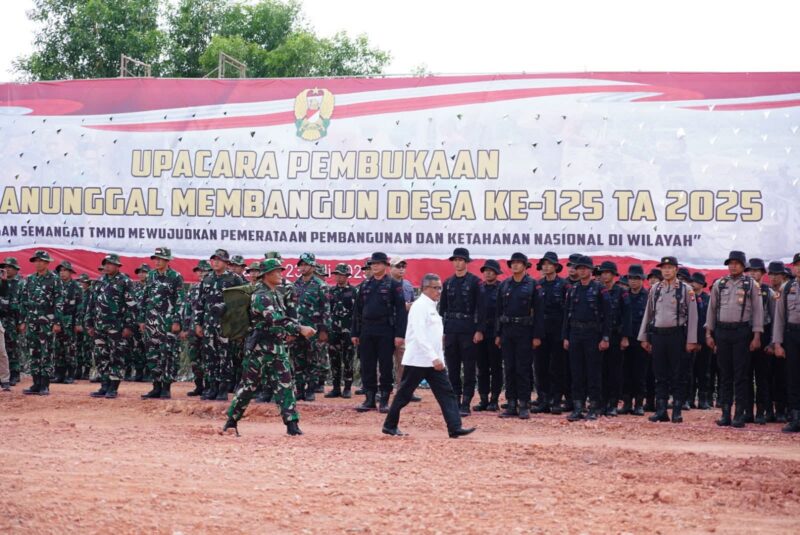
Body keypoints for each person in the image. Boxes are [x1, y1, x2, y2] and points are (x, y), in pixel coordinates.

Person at [222, 259, 316, 437]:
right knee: (249, 387)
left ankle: (292, 424)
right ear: (266, 275)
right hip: (260, 348)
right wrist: (299, 329)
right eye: (276, 272)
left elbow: (283, 317)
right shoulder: (261, 296)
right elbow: (274, 319)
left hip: (277, 347)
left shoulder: (276, 294)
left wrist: (292, 330)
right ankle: (231, 422)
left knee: (286, 384)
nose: (281, 274)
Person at [382, 273, 476, 439]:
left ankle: (455, 427)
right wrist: (434, 357)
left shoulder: (432, 305)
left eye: (440, 288)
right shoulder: (419, 307)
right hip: (418, 360)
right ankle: (390, 425)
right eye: (435, 288)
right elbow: (419, 336)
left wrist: (438, 358)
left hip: (433, 362)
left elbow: (434, 337)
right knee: (404, 394)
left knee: (447, 393)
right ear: (425, 288)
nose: (439, 291)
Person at [706, 251, 764, 428]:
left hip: (742, 332)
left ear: (743, 265)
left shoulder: (750, 284)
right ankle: (725, 414)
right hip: (722, 332)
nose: (733, 266)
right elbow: (712, 309)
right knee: (725, 375)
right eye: (730, 263)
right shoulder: (720, 284)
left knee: (741, 375)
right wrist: (709, 333)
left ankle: (739, 414)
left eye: (736, 263)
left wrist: (757, 335)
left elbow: (758, 312)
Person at [637, 256, 699, 423]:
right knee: (659, 373)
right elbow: (648, 313)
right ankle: (661, 410)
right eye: (664, 268)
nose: (666, 270)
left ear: (676, 270)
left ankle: (677, 411)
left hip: (677, 335)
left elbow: (693, 316)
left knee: (678, 374)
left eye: (670, 267)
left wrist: (691, 340)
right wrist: (643, 336)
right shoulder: (656, 289)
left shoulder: (686, 290)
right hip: (658, 335)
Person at [352, 252, 408, 413]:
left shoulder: (393, 285)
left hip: (386, 330)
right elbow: (358, 310)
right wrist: (355, 333)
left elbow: (401, 312)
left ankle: (384, 400)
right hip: (367, 330)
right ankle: (369, 399)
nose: (374, 266)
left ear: (385, 266)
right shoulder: (365, 285)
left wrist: (399, 334)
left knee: (385, 365)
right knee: (367, 365)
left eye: (378, 263)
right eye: (372, 263)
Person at [562, 255, 611, 421]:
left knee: (593, 372)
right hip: (575, 334)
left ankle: (594, 407)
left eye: (585, 268)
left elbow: (607, 316)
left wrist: (605, 337)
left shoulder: (600, 289)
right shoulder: (573, 289)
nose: (581, 271)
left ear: (591, 270)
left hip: (593, 334)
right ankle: (578, 407)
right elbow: (566, 315)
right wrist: (566, 336)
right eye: (579, 268)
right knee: (576, 372)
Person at [495, 252, 543, 419]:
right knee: (509, 367)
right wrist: (498, 334)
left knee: (523, 368)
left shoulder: (532, 285)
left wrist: (537, 335)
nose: (515, 265)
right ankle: (511, 403)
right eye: (512, 263)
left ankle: (524, 404)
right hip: (507, 330)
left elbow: (539, 313)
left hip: (525, 331)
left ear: (525, 265)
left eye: (518, 263)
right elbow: (498, 311)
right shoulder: (505, 285)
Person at [194, 249, 247, 401]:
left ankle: (223, 389)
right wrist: (198, 323)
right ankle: (212, 388)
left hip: (226, 325)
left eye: (219, 260)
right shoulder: (208, 279)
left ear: (226, 263)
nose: (215, 262)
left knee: (225, 357)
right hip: (209, 325)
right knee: (210, 357)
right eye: (214, 259)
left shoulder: (235, 279)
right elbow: (200, 303)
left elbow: (242, 302)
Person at [85, 254, 137, 399]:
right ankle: (104, 385)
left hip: (117, 327)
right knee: (101, 356)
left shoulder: (125, 281)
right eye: (106, 263)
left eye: (111, 264)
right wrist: (89, 323)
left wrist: (129, 326)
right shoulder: (100, 281)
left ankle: (113, 387)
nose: (107, 266)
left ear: (117, 266)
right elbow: (91, 304)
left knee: (116, 356)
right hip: (99, 327)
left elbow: (131, 306)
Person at [439, 248, 481, 415]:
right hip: (451, 330)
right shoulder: (448, 282)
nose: (457, 263)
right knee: (453, 367)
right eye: (455, 260)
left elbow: (480, 308)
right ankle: (455, 399)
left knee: (469, 367)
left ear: (466, 262)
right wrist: (442, 331)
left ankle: (466, 401)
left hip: (468, 329)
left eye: (461, 260)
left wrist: (479, 330)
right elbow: (442, 309)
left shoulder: (475, 282)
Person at [139, 247, 184, 400]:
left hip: (168, 322)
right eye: (155, 259)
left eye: (160, 259)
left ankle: (166, 387)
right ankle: (156, 386)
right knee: (152, 354)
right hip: (151, 321)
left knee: (168, 354)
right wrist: (141, 320)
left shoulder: (175, 277)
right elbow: (145, 298)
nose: (157, 261)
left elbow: (180, 301)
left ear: (167, 260)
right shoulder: (151, 276)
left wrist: (177, 321)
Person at [290, 252, 330, 401]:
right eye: (301, 264)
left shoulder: (321, 286)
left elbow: (326, 310)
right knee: (298, 359)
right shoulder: (295, 284)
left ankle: (311, 389)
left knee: (313, 360)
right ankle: (299, 389)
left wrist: (324, 331)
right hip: (297, 328)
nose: (303, 267)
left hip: (314, 329)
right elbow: (290, 307)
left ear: (313, 266)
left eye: (306, 264)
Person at [21, 250, 61, 396]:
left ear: (46, 263)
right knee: (34, 352)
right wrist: (23, 320)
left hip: (47, 322)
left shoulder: (54, 279)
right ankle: (36, 383)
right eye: (35, 261)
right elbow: (24, 300)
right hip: (32, 321)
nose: (37, 263)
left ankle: (45, 384)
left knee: (47, 352)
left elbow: (59, 302)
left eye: (40, 261)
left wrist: (57, 322)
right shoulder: (30, 279)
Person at [533, 252, 568, 414]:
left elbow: (569, 311)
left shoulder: (564, 285)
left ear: (556, 267)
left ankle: (555, 400)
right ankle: (543, 399)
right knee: (541, 366)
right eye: (544, 264)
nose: (546, 267)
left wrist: (565, 333)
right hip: (541, 330)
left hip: (558, 330)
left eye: (549, 264)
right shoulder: (537, 285)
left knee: (557, 367)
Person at [773, 252, 800, 432]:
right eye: (797, 264)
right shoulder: (787, 287)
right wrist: (777, 343)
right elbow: (780, 317)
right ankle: (796, 416)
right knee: (793, 376)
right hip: (792, 334)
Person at [474, 259, 503, 411]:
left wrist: (499, 334)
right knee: (482, 367)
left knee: (496, 367)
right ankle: (483, 399)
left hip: (496, 333)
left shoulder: (502, 288)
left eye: (491, 271)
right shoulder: (479, 288)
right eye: (486, 270)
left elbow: (502, 312)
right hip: (480, 333)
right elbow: (475, 310)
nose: (488, 273)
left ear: (497, 273)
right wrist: (477, 330)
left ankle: (494, 400)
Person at [620, 264, 649, 415]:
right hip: (626, 338)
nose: (633, 282)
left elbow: (651, 319)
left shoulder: (648, 296)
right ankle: (626, 402)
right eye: (631, 278)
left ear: (642, 280)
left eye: (636, 279)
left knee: (640, 372)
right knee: (626, 371)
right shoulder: (624, 295)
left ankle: (638, 403)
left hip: (641, 339)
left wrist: (648, 339)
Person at [325, 263, 357, 398]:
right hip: (333, 331)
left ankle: (348, 387)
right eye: (337, 274)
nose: (339, 277)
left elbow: (357, 313)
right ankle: (336, 387)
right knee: (334, 360)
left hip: (348, 331)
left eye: (342, 275)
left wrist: (356, 331)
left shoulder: (354, 291)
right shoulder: (331, 292)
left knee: (348, 359)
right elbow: (326, 311)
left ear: (347, 276)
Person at [53, 261, 81, 384]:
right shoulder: (56, 285)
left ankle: (70, 374)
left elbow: (80, 307)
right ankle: (59, 374)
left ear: (70, 272)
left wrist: (78, 323)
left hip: (70, 322)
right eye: (60, 270)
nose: (62, 273)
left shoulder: (76, 287)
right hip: (57, 321)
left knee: (70, 349)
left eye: (65, 270)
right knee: (58, 348)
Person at [0, 257, 24, 386]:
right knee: (1, 349)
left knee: (12, 347)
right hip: (1, 318)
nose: (7, 269)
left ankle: (15, 374)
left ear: (16, 269)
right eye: (5, 267)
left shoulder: (20, 283)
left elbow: (23, 303)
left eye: (10, 267)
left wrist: (21, 321)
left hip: (13, 319)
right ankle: (4, 374)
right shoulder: (1, 281)